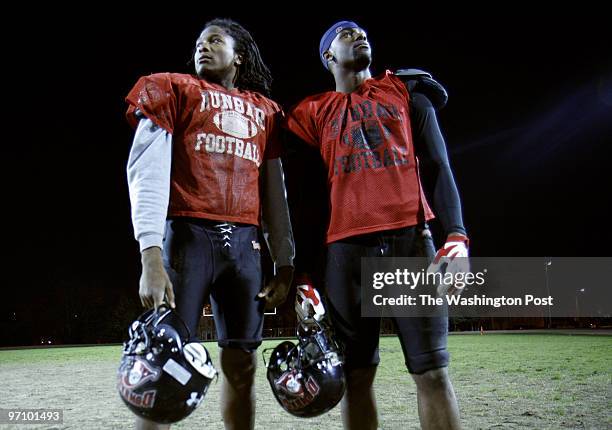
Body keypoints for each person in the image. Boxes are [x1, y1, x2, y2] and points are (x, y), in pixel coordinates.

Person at [284, 20, 468, 429]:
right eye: (346, 34)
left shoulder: (405, 90)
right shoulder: (311, 112)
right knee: (356, 376)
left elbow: (438, 166)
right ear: (328, 56)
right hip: (345, 252)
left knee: (432, 372)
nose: (359, 35)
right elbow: (302, 198)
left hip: (410, 242)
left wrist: (455, 236)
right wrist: (304, 272)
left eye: (362, 32)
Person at [125, 18, 294, 430]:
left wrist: (285, 262)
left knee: (243, 366)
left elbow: (276, 190)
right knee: (161, 363)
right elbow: (145, 170)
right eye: (199, 42)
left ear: (238, 56)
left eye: (214, 41)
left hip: (245, 244)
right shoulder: (176, 90)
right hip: (188, 238)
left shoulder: (265, 112)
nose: (202, 47)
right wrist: (150, 252)